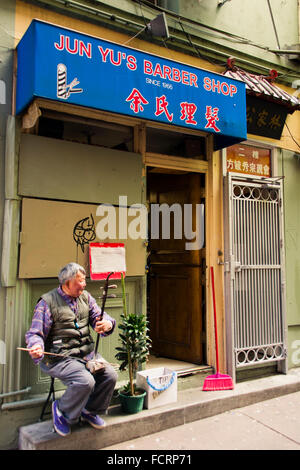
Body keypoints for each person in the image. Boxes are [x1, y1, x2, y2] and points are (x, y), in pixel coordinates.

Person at [25, 262, 118, 437]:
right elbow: (35, 333)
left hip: (86, 354)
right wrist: (36, 346)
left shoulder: (86, 297)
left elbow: (99, 315)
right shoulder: (47, 302)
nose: (84, 284)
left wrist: (106, 323)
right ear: (66, 283)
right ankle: (62, 411)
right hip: (59, 357)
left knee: (109, 375)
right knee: (86, 381)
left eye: (84, 281)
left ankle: (90, 410)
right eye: (80, 281)